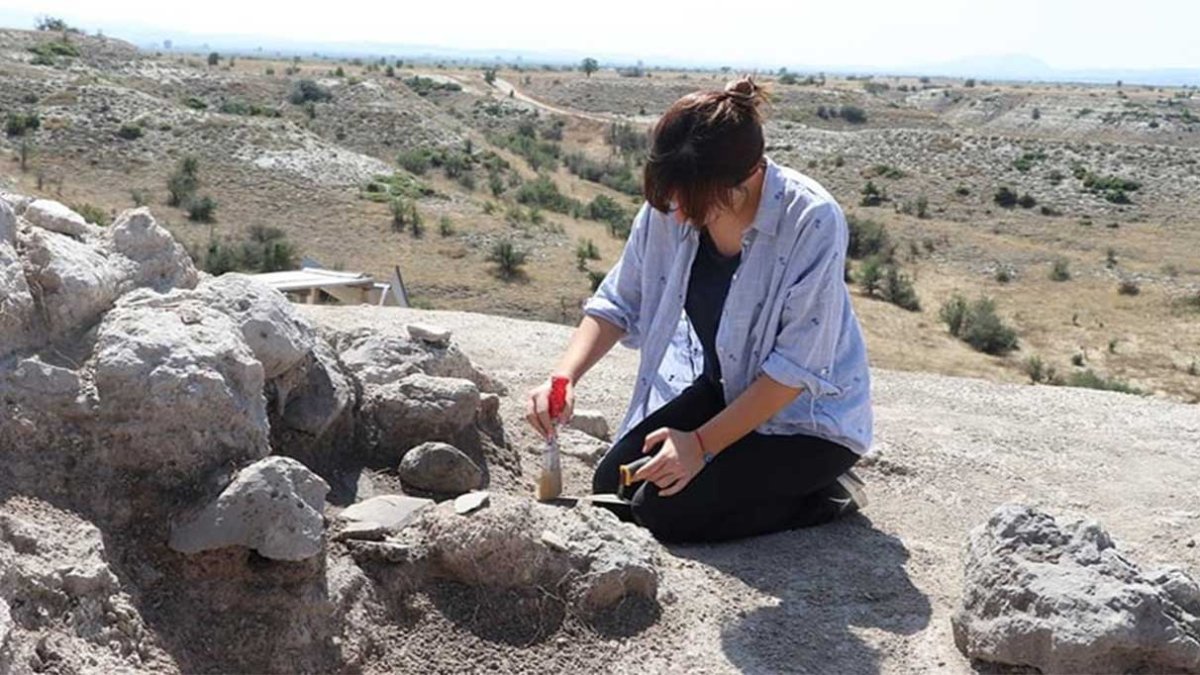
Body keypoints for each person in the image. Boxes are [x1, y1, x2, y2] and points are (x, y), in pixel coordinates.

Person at [525, 76, 873, 544]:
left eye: (695, 205)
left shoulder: (811, 219)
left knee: (666, 512)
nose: (680, 217)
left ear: (747, 177)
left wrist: (701, 445)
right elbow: (619, 301)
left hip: (809, 419)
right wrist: (563, 377)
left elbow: (795, 369)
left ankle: (826, 494)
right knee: (615, 484)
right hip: (727, 390)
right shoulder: (675, 202)